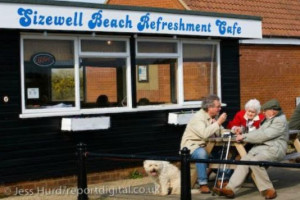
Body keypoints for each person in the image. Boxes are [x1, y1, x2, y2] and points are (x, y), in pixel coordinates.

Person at [214, 99, 288, 199]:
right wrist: (244, 135)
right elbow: (258, 132)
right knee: (244, 160)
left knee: (255, 161)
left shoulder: (279, 122)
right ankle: (230, 189)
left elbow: (264, 135)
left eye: (265, 111)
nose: (263, 113)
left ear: (273, 111)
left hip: (274, 149)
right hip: (262, 148)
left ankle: (269, 189)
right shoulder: (270, 119)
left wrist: (244, 137)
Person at [180, 94, 227, 193]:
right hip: (192, 146)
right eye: (218, 106)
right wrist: (218, 122)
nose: (220, 108)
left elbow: (221, 131)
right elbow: (205, 134)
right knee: (202, 153)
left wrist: (233, 131)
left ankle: (221, 179)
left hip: (208, 146)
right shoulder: (198, 117)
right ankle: (203, 183)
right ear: (210, 107)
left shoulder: (213, 117)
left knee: (227, 153)